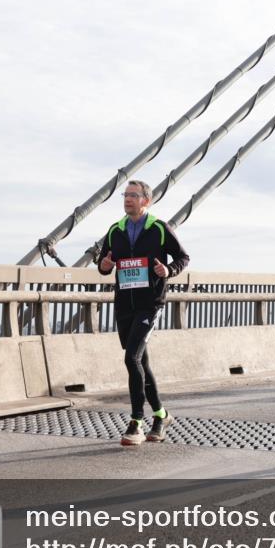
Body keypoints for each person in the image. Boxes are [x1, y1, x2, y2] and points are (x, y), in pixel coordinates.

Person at [97, 180, 190, 446]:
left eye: (133, 195)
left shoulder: (159, 229)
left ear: (146, 201)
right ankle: (161, 416)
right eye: (125, 195)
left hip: (150, 303)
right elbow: (105, 266)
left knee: (131, 358)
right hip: (125, 305)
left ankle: (136, 422)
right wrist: (104, 266)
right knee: (140, 362)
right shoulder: (115, 230)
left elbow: (183, 258)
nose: (127, 199)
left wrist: (168, 271)